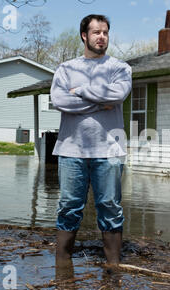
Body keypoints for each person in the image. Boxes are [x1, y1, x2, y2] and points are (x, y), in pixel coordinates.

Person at [50, 14, 132, 265]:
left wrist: (82, 92)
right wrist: (99, 103)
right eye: (96, 32)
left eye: (105, 32)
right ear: (84, 35)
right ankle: (63, 265)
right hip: (71, 150)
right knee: (69, 207)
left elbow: (118, 94)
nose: (102, 37)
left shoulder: (120, 68)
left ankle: (113, 267)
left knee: (109, 206)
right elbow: (60, 100)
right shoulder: (66, 69)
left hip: (108, 149)